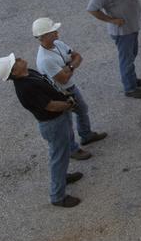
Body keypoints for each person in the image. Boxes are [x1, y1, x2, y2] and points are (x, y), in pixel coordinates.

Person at [0, 53, 84, 208]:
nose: (20, 58)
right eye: (16, 61)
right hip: (53, 123)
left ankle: (62, 177)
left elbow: (50, 86)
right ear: (14, 72)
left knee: (61, 151)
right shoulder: (25, 87)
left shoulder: (29, 73)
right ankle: (57, 196)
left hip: (59, 118)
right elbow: (50, 105)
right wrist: (69, 105)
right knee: (58, 157)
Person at [34, 17, 107, 155]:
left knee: (82, 109)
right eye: (53, 32)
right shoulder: (45, 59)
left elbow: (78, 56)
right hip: (62, 93)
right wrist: (71, 66)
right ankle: (73, 149)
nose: (57, 34)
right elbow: (64, 79)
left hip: (69, 87)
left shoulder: (58, 44)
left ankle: (86, 135)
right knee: (67, 122)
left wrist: (69, 67)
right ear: (44, 37)